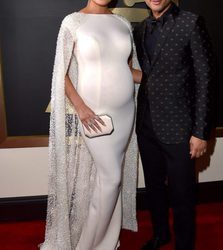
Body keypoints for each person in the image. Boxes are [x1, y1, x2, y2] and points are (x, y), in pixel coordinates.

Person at [40, 0, 140, 249]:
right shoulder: (73, 22)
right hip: (95, 115)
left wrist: (166, 77)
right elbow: (59, 73)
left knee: (109, 179)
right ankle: (88, 246)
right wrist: (81, 108)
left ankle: (108, 241)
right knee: (112, 178)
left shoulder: (122, 23)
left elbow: (128, 69)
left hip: (126, 111)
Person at [133, 0, 215, 249]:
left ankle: (184, 244)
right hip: (146, 124)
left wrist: (200, 133)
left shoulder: (190, 22)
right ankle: (160, 234)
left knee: (182, 195)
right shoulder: (141, 28)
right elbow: (149, 74)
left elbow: (205, 79)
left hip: (179, 127)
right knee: (154, 187)